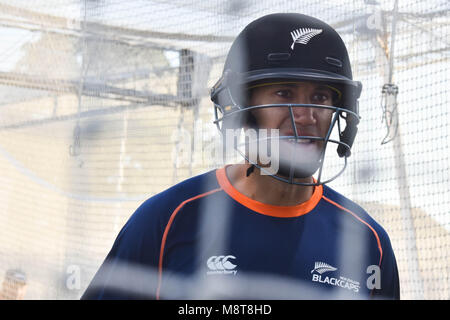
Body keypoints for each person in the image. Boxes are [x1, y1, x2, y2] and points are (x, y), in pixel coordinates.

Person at [82, 13, 399, 300]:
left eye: (320, 96)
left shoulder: (369, 243)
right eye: (284, 93)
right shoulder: (168, 220)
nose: (306, 115)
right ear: (242, 110)